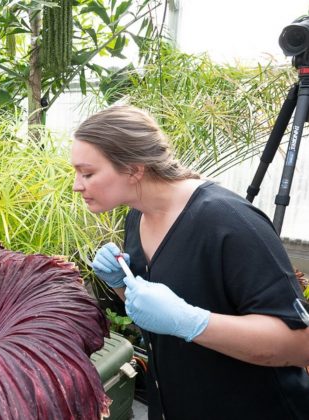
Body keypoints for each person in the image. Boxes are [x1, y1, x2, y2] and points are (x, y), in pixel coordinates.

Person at [71, 105, 309, 420]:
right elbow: (158, 315)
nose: (77, 185)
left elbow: (299, 344)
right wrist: (121, 286)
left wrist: (192, 321)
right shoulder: (137, 217)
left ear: (134, 168)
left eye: (87, 173)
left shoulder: (228, 222)